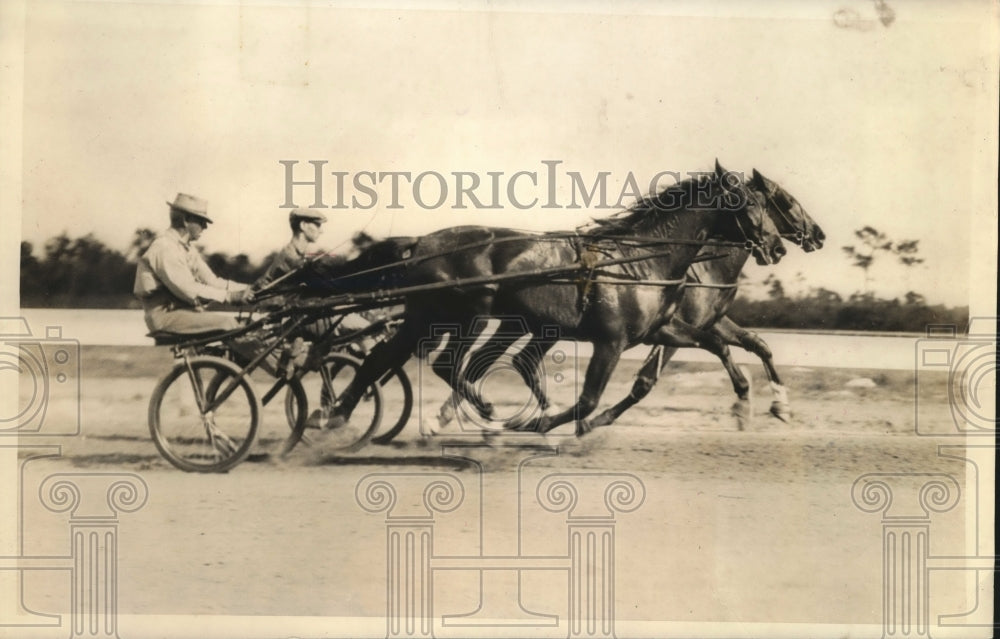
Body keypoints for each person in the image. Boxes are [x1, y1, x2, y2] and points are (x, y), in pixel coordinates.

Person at [134, 193, 254, 334]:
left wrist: (253, 289)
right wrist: (230, 296)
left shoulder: (186, 249)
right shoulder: (165, 247)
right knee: (229, 323)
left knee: (246, 324)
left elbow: (213, 282)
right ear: (186, 220)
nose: (205, 227)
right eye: (201, 221)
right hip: (165, 317)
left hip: (182, 313)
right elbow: (188, 290)